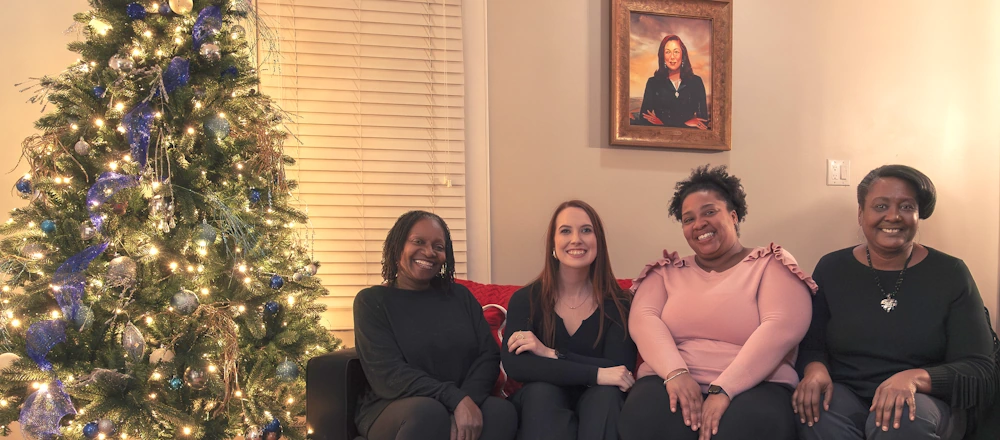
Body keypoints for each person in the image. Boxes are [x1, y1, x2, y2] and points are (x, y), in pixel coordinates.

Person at [794, 165, 998, 440]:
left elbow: (979, 368)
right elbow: (812, 345)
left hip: (926, 402)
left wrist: (914, 378)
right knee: (815, 410)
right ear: (860, 213)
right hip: (849, 394)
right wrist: (815, 370)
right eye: (880, 206)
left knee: (899, 419)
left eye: (906, 206)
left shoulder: (950, 273)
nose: (893, 216)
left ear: (918, 215)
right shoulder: (832, 267)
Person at [619, 165, 816, 440]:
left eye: (709, 212)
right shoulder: (665, 271)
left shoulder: (771, 264)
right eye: (688, 219)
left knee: (750, 427)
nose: (699, 224)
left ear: (733, 216)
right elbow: (643, 321)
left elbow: (782, 327)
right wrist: (675, 373)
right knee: (644, 418)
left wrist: (724, 389)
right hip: (669, 378)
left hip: (757, 384)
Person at [353, 211, 517, 440]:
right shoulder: (372, 301)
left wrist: (467, 400)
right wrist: (454, 399)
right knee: (428, 413)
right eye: (418, 242)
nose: (429, 252)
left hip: (460, 396)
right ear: (397, 245)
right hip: (393, 405)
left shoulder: (459, 296)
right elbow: (388, 374)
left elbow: (488, 354)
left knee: (500, 412)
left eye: (438, 246)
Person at [501, 200, 637, 440]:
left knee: (606, 395)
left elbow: (619, 369)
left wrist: (549, 353)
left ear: (599, 242)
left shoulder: (620, 303)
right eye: (566, 231)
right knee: (541, 392)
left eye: (586, 230)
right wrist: (596, 374)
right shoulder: (525, 299)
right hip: (541, 404)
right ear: (553, 243)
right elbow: (518, 366)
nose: (576, 239)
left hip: (599, 400)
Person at [634, 34, 709, 129]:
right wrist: (684, 124)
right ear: (662, 56)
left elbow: (702, 121)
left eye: (676, 52)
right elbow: (644, 119)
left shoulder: (696, 82)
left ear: (683, 55)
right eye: (668, 52)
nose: (672, 57)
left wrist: (663, 123)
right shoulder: (653, 83)